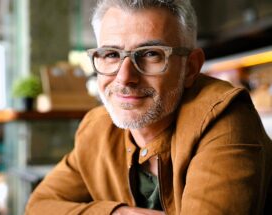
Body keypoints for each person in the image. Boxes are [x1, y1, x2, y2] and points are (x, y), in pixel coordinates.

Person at [26, 0, 272, 214]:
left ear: (191, 67)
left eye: (151, 54)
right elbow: (39, 206)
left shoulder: (223, 115)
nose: (124, 78)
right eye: (111, 54)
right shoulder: (95, 128)